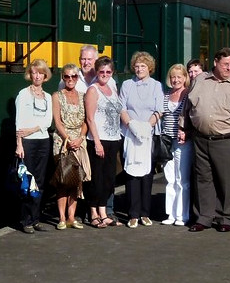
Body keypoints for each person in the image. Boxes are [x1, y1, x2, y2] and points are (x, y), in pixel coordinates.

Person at [178, 47, 230, 233]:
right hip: (200, 138)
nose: (229, 68)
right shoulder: (200, 81)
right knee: (203, 179)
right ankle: (204, 217)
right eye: (225, 64)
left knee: (225, 180)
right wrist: (183, 127)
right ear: (215, 62)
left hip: (226, 140)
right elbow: (188, 106)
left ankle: (225, 217)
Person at [119, 51, 164, 228]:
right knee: (131, 174)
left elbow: (159, 110)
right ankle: (133, 214)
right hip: (130, 133)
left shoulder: (156, 86)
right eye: (137, 66)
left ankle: (145, 213)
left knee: (146, 174)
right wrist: (131, 125)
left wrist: (146, 127)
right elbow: (121, 108)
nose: (139, 69)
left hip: (148, 134)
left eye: (143, 66)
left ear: (149, 68)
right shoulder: (127, 85)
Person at [83, 56, 124, 228]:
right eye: (102, 71)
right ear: (97, 72)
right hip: (98, 140)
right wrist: (97, 142)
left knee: (108, 179)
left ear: (112, 72)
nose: (105, 74)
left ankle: (103, 212)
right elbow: (90, 118)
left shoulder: (112, 88)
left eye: (108, 71)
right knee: (96, 178)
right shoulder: (93, 90)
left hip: (113, 139)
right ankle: (93, 213)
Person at [14, 59, 54, 234]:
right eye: (34, 73)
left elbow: (48, 121)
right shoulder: (23, 95)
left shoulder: (48, 97)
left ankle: (36, 218)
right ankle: (26, 220)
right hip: (27, 143)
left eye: (40, 73)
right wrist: (19, 144)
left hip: (43, 141)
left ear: (45, 76)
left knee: (40, 181)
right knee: (27, 181)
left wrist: (32, 129)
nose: (37, 76)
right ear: (30, 75)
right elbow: (19, 122)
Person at [51, 63, 91, 229]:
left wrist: (80, 138)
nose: (70, 79)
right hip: (63, 142)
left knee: (76, 181)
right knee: (63, 180)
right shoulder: (57, 96)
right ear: (63, 77)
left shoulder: (83, 96)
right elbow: (57, 121)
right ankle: (61, 218)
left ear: (77, 78)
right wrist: (67, 139)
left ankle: (71, 217)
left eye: (73, 76)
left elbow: (86, 120)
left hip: (79, 141)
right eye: (67, 76)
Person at [160, 63, 192, 226]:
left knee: (182, 179)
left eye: (179, 77)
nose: (176, 80)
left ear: (185, 78)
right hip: (166, 141)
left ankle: (182, 215)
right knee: (170, 179)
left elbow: (192, 116)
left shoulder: (188, 94)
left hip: (182, 142)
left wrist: (186, 131)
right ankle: (171, 214)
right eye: (173, 77)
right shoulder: (166, 94)